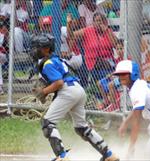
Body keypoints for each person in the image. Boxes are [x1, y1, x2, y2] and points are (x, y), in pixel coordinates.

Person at [30, 33, 119, 161]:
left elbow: (59, 83)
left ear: (46, 49)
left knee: (47, 123)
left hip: (67, 91)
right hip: (78, 90)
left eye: (37, 47)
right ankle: (109, 155)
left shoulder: (47, 63)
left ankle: (62, 157)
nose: (34, 50)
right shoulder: (57, 59)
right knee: (81, 127)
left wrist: (44, 92)